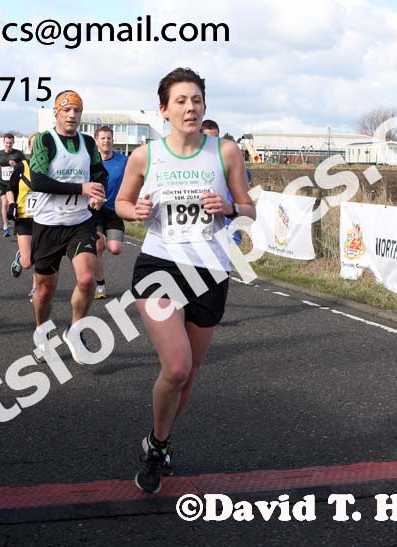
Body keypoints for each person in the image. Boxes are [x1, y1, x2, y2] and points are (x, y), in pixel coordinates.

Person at [115, 68, 255, 494]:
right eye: (180, 100)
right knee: (175, 366)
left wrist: (228, 207)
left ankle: (158, 441)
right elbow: (121, 202)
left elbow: (249, 209)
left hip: (210, 270)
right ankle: (159, 446)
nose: (190, 107)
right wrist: (132, 212)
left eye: (196, 99)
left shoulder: (226, 151)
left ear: (205, 106)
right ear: (164, 110)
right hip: (160, 266)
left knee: (189, 374)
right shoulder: (146, 156)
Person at [29, 90, 107, 364]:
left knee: (87, 279)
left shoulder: (87, 142)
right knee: (45, 290)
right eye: (67, 110)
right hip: (48, 224)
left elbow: (99, 175)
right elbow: (37, 181)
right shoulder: (45, 141)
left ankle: (76, 329)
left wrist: (98, 195)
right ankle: (41, 331)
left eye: (77, 111)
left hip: (79, 222)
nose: (72, 115)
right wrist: (80, 187)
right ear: (56, 113)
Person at [201, 120, 252, 245]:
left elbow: (247, 203)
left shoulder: (228, 160)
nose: (211, 143)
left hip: (228, 229)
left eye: (215, 138)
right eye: (207, 138)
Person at [92, 125, 128, 299]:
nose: (106, 141)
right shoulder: (90, 161)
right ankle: (100, 285)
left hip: (114, 210)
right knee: (98, 244)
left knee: (115, 248)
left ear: (113, 140)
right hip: (94, 210)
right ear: (96, 141)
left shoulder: (123, 161)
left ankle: (105, 241)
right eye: (103, 138)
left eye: (109, 138)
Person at [6, 133, 38, 302]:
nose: (38, 147)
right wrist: (12, 205)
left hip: (44, 219)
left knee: (40, 258)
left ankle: (35, 289)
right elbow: (10, 188)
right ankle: (20, 256)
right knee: (27, 262)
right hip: (24, 218)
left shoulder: (52, 168)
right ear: (30, 147)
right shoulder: (22, 167)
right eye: (35, 144)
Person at [0, 134, 25, 237]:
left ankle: (15, 221)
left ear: (13, 143)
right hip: (2, 182)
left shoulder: (18, 154)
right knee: (5, 203)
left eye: (10, 143)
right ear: (3, 142)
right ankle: (5, 225)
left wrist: (16, 165)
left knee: (15, 203)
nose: (8, 145)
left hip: (14, 183)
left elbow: (26, 165)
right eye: (7, 143)